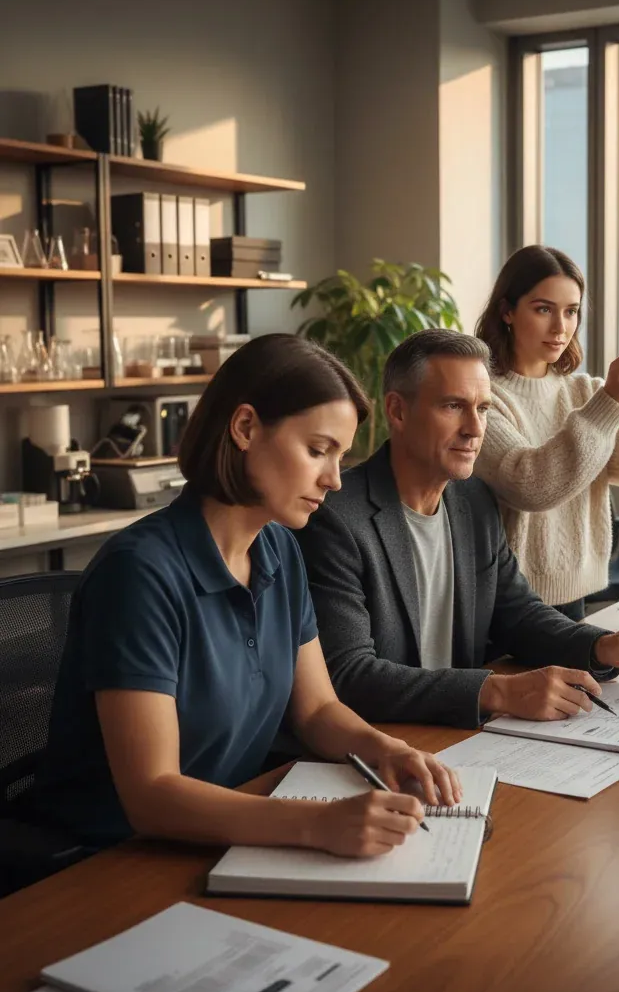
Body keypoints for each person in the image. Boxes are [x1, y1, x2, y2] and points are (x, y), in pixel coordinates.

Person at [30, 334, 459, 857]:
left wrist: (386, 750)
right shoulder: (138, 573)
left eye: (340, 456)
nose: (334, 480)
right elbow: (151, 794)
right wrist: (317, 824)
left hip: (229, 835)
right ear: (245, 428)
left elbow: (317, 709)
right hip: (104, 860)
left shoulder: (279, 548)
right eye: (317, 450)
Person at [294, 329, 619, 730]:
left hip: (460, 734)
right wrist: (496, 691)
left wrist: (602, 645)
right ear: (397, 411)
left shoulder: (473, 499)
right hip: (383, 739)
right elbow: (348, 674)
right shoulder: (336, 517)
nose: (474, 428)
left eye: (482, 409)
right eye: (453, 406)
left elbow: (518, 614)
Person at [473, 245, 619, 620]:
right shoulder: (482, 398)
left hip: (575, 596)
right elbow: (531, 486)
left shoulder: (586, 393)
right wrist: (610, 400)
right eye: (543, 309)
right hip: (507, 606)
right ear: (507, 311)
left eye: (571, 311)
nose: (560, 328)